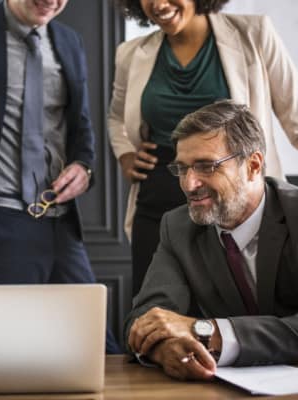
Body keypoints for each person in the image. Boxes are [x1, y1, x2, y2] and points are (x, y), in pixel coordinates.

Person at [0, 0, 121, 353]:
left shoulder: (69, 40)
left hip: (61, 222)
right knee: (9, 349)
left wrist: (84, 166)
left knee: (97, 346)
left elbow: (80, 125)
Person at [108, 0, 298, 298]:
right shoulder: (130, 53)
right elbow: (117, 116)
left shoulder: (255, 33)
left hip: (234, 195)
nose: (158, 4)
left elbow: (295, 114)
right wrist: (125, 153)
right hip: (159, 193)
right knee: (155, 305)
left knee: (238, 303)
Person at [124, 100, 298, 381]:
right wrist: (166, 349)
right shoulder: (178, 227)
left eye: (207, 166)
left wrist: (210, 332)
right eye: (182, 169)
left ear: (253, 166)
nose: (189, 184)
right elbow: (145, 318)